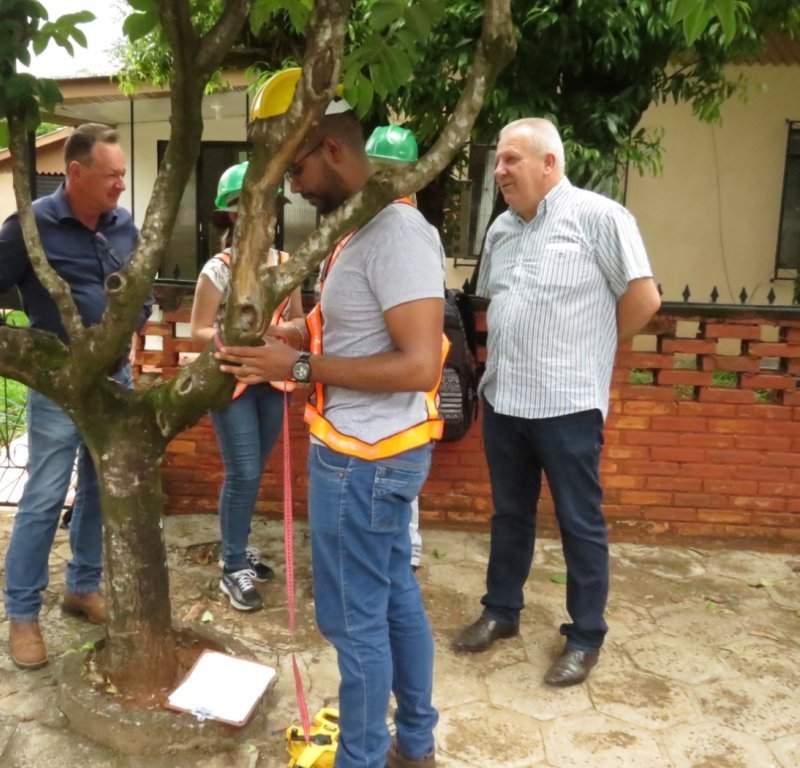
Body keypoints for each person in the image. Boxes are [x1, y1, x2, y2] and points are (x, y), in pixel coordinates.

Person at [216, 71, 444, 768]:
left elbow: (417, 365)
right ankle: (415, 744)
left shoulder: (397, 231)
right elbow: (352, 327)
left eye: (297, 168)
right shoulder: (360, 228)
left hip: (366, 461)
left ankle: (364, 757)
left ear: (331, 149)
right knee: (394, 600)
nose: (291, 188)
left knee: (355, 623)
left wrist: (301, 370)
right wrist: (299, 337)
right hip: (362, 454)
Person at [451, 117, 660, 687]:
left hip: (568, 403)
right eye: (497, 161)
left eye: (511, 159)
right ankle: (501, 611)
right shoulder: (501, 231)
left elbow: (644, 298)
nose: (499, 171)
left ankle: (586, 635)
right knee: (510, 514)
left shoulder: (599, 218)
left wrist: (594, 345)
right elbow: (498, 301)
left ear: (549, 163)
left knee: (578, 521)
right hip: (507, 399)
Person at [0, 123, 154, 670]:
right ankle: (22, 615)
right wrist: (26, 354)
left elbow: (139, 290)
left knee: (99, 490)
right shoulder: (32, 226)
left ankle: (82, 587)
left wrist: (131, 324)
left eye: (123, 174)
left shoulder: (122, 226)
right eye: (111, 175)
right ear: (76, 172)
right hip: (60, 386)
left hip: (116, 380)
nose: (121, 185)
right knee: (46, 496)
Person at [189, 160, 307, 612]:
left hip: (273, 382)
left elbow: (299, 319)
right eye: (257, 207)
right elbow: (199, 330)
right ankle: (233, 565)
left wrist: (285, 334)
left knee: (254, 471)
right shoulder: (218, 270)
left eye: (274, 206)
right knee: (242, 473)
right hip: (234, 383)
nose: (269, 216)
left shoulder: (285, 264)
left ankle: (237, 547)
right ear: (235, 213)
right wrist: (240, 342)